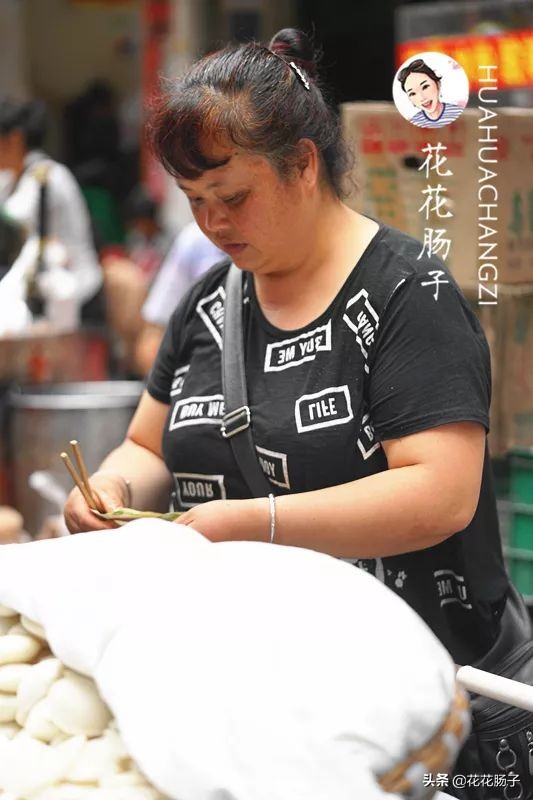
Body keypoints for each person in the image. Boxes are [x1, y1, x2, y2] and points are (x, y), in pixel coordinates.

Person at [64, 29, 516, 796]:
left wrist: (250, 521)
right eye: (195, 203)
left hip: (412, 710)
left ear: (303, 164)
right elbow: (150, 444)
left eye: (233, 197)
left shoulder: (407, 295)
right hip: (259, 703)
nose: (212, 225)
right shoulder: (207, 305)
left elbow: (438, 494)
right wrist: (112, 489)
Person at [0, 97, 102, 309]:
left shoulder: (49, 177)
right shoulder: (9, 181)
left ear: (15, 139)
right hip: (35, 288)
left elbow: (16, 219)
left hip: (71, 291)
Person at [134, 219, 223, 375]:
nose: (212, 218)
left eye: (234, 198)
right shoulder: (194, 240)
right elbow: (152, 336)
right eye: (197, 200)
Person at [398, 58, 464, 128]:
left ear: (438, 84)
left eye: (425, 87)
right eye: (412, 93)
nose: (422, 97)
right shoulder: (413, 123)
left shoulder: (459, 113)